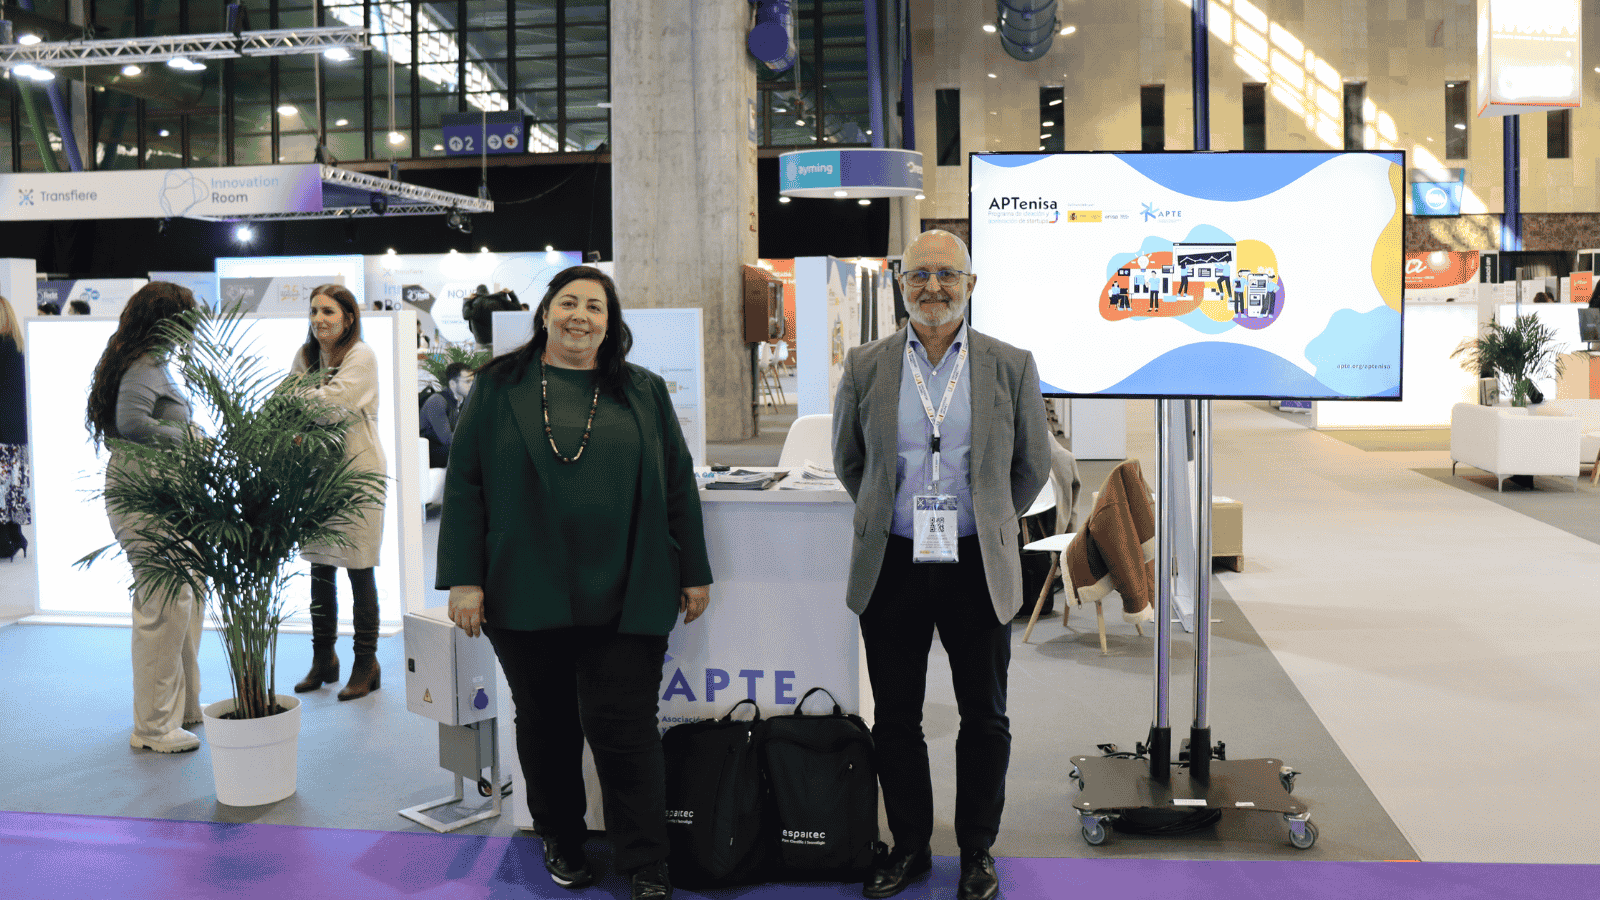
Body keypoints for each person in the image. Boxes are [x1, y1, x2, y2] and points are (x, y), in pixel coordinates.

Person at [437, 265, 711, 900]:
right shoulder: (499, 385)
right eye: (568, 302)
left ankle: (646, 861)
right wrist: (464, 580)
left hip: (628, 586)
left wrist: (694, 571)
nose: (580, 316)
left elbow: (677, 482)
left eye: (595, 306)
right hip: (523, 585)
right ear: (545, 313)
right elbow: (466, 482)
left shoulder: (643, 389)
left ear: (610, 323)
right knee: (546, 725)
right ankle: (560, 836)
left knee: (627, 731)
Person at [832, 230, 1050, 900]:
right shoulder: (866, 365)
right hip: (893, 561)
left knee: (984, 716)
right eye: (919, 275)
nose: (933, 287)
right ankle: (911, 847)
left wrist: (990, 520)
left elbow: (1031, 465)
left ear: (970, 284)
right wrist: (887, 512)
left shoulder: (1009, 364)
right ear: (901, 284)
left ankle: (977, 850)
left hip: (975, 564)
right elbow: (849, 460)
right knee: (896, 718)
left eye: (947, 275)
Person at [84, 282, 204, 753]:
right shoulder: (143, 366)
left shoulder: (150, 363)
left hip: (160, 491)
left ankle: (181, 709)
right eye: (186, 316)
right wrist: (186, 437)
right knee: (165, 603)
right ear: (165, 320)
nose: (193, 325)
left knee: (183, 598)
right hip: (142, 492)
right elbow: (132, 424)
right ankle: (153, 728)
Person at [289, 284, 389, 701]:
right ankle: (323, 659)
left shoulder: (361, 355)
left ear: (348, 318)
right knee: (319, 568)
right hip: (316, 475)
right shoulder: (306, 356)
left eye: (328, 311)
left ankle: (366, 664)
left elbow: (333, 407)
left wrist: (302, 397)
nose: (319, 319)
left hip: (356, 473)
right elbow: (285, 402)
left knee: (359, 568)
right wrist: (308, 398)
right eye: (314, 311)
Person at [0, 295, 29, 561]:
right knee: (12, 490)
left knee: (2, 492)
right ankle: (15, 537)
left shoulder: (1, 348)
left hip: (2, 431)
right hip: (17, 432)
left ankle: (6, 541)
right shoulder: (19, 348)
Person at [421, 361, 474, 470]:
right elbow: (447, 439)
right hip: (429, 452)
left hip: (445, 449)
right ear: (453, 384)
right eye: (467, 382)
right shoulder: (437, 401)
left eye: (473, 381)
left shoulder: (461, 402)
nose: (471, 385)